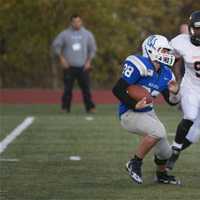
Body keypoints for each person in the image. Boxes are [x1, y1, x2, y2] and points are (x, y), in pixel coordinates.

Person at [112, 34, 181, 185]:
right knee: (158, 131)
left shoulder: (166, 73)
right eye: (163, 50)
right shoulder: (139, 64)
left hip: (147, 112)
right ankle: (134, 163)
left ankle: (161, 175)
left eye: (168, 51)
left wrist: (175, 93)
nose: (167, 54)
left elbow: (171, 102)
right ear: (151, 50)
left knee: (166, 152)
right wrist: (133, 104)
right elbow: (117, 89)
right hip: (129, 113)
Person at [166, 11, 200, 170]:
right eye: (197, 28)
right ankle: (175, 148)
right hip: (191, 87)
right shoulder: (181, 42)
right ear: (191, 29)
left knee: (195, 134)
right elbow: (164, 56)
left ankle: (174, 152)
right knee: (190, 116)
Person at [52, 14, 97, 113]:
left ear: (81, 22)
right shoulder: (64, 34)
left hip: (83, 67)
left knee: (86, 89)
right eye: (74, 21)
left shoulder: (87, 34)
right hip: (69, 67)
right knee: (67, 89)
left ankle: (90, 107)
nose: (76, 23)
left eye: (78, 21)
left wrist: (89, 62)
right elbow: (56, 46)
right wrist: (62, 59)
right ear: (71, 23)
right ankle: (65, 108)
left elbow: (92, 49)